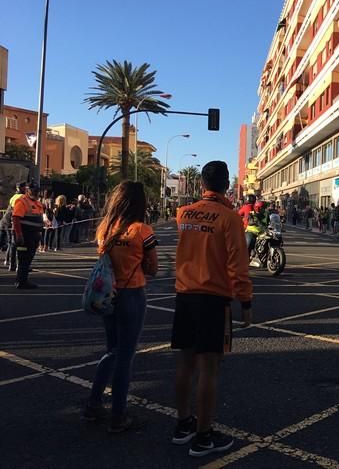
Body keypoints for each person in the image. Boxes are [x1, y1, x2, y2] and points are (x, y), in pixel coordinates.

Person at [171, 161, 252, 458]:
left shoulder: (185, 213)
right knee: (209, 368)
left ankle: (183, 424)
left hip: (185, 294)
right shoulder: (229, 218)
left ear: (203, 183)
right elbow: (238, 264)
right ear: (226, 183)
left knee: (185, 362)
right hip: (213, 297)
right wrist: (245, 301)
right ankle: (203, 436)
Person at [84, 181, 159, 431]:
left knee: (112, 349)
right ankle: (118, 415)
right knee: (125, 355)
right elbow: (154, 268)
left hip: (108, 293)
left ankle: (94, 402)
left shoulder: (104, 228)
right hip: (132, 294)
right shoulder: (142, 230)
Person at [12, 182, 44, 289]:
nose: (35, 192)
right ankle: (21, 281)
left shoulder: (38, 203)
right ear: (28, 190)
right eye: (33, 190)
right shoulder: (22, 202)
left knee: (29, 258)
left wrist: (39, 234)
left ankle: (22, 280)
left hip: (34, 235)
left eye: (37, 191)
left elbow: (39, 219)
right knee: (23, 259)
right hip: (24, 235)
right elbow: (16, 218)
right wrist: (19, 235)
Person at [4, 182, 27, 271]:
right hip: (12, 222)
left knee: (11, 244)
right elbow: (16, 212)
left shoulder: (13, 196)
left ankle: (9, 262)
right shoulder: (21, 197)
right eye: (25, 187)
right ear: (21, 188)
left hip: (7, 222)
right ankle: (15, 264)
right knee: (17, 244)